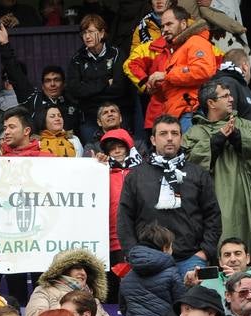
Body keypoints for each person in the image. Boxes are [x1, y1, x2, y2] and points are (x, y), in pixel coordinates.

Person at [116, 115, 221, 279]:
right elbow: (125, 218)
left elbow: (213, 215)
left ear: (181, 138)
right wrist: (133, 253)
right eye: (163, 134)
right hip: (148, 259)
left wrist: (205, 252)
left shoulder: (198, 173)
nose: (170, 138)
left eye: (175, 133)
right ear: (152, 139)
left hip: (191, 258)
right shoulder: (136, 176)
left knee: (195, 305)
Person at [182, 79, 251, 272]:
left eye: (231, 95)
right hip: (213, 199)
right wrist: (217, 140)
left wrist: (239, 138)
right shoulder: (195, 131)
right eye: (225, 96)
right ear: (211, 103)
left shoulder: (246, 126)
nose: (232, 99)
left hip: (245, 199)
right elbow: (189, 164)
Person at [67, 14, 131, 145]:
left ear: (102, 33)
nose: (87, 36)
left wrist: (89, 90)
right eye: (84, 33)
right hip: (90, 117)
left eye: (91, 32)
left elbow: (119, 88)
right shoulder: (77, 59)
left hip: (117, 116)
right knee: (94, 154)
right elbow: (75, 90)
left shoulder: (117, 54)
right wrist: (105, 82)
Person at [123, 222, 184, 316]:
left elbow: (124, 309)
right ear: (165, 248)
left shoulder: (127, 277)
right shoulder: (172, 273)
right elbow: (181, 307)